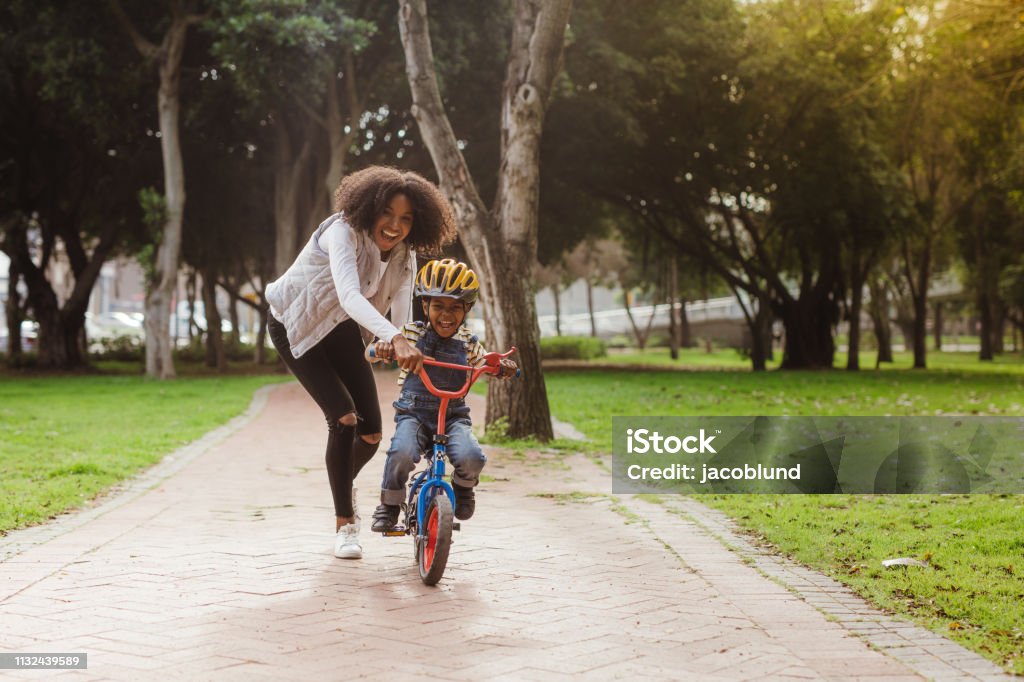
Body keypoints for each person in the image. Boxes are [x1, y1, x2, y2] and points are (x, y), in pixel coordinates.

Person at [265, 166, 457, 560]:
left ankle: (341, 481)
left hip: (339, 331)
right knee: (344, 419)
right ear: (369, 207)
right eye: (387, 213)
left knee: (370, 433)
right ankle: (345, 524)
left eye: (406, 219)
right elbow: (350, 296)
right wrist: (395, 338)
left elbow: (403, 306)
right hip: (294, 325)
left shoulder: (405, 255)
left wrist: (401, 338)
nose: (394, 225)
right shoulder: (342, 231)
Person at [366, 258, 517, 533]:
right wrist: (383, 349)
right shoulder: (410, 334)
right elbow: (371, 352)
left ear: (466, 309)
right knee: (401, 452)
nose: (446, 315)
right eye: (438, 306)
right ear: (425, 306)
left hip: (453, 416)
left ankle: (463, 488)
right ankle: (389, 504)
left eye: (455, 307)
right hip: (415, 414)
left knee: (473, 457)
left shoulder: (468, 342)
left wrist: (500, 367)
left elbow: (485, 361)